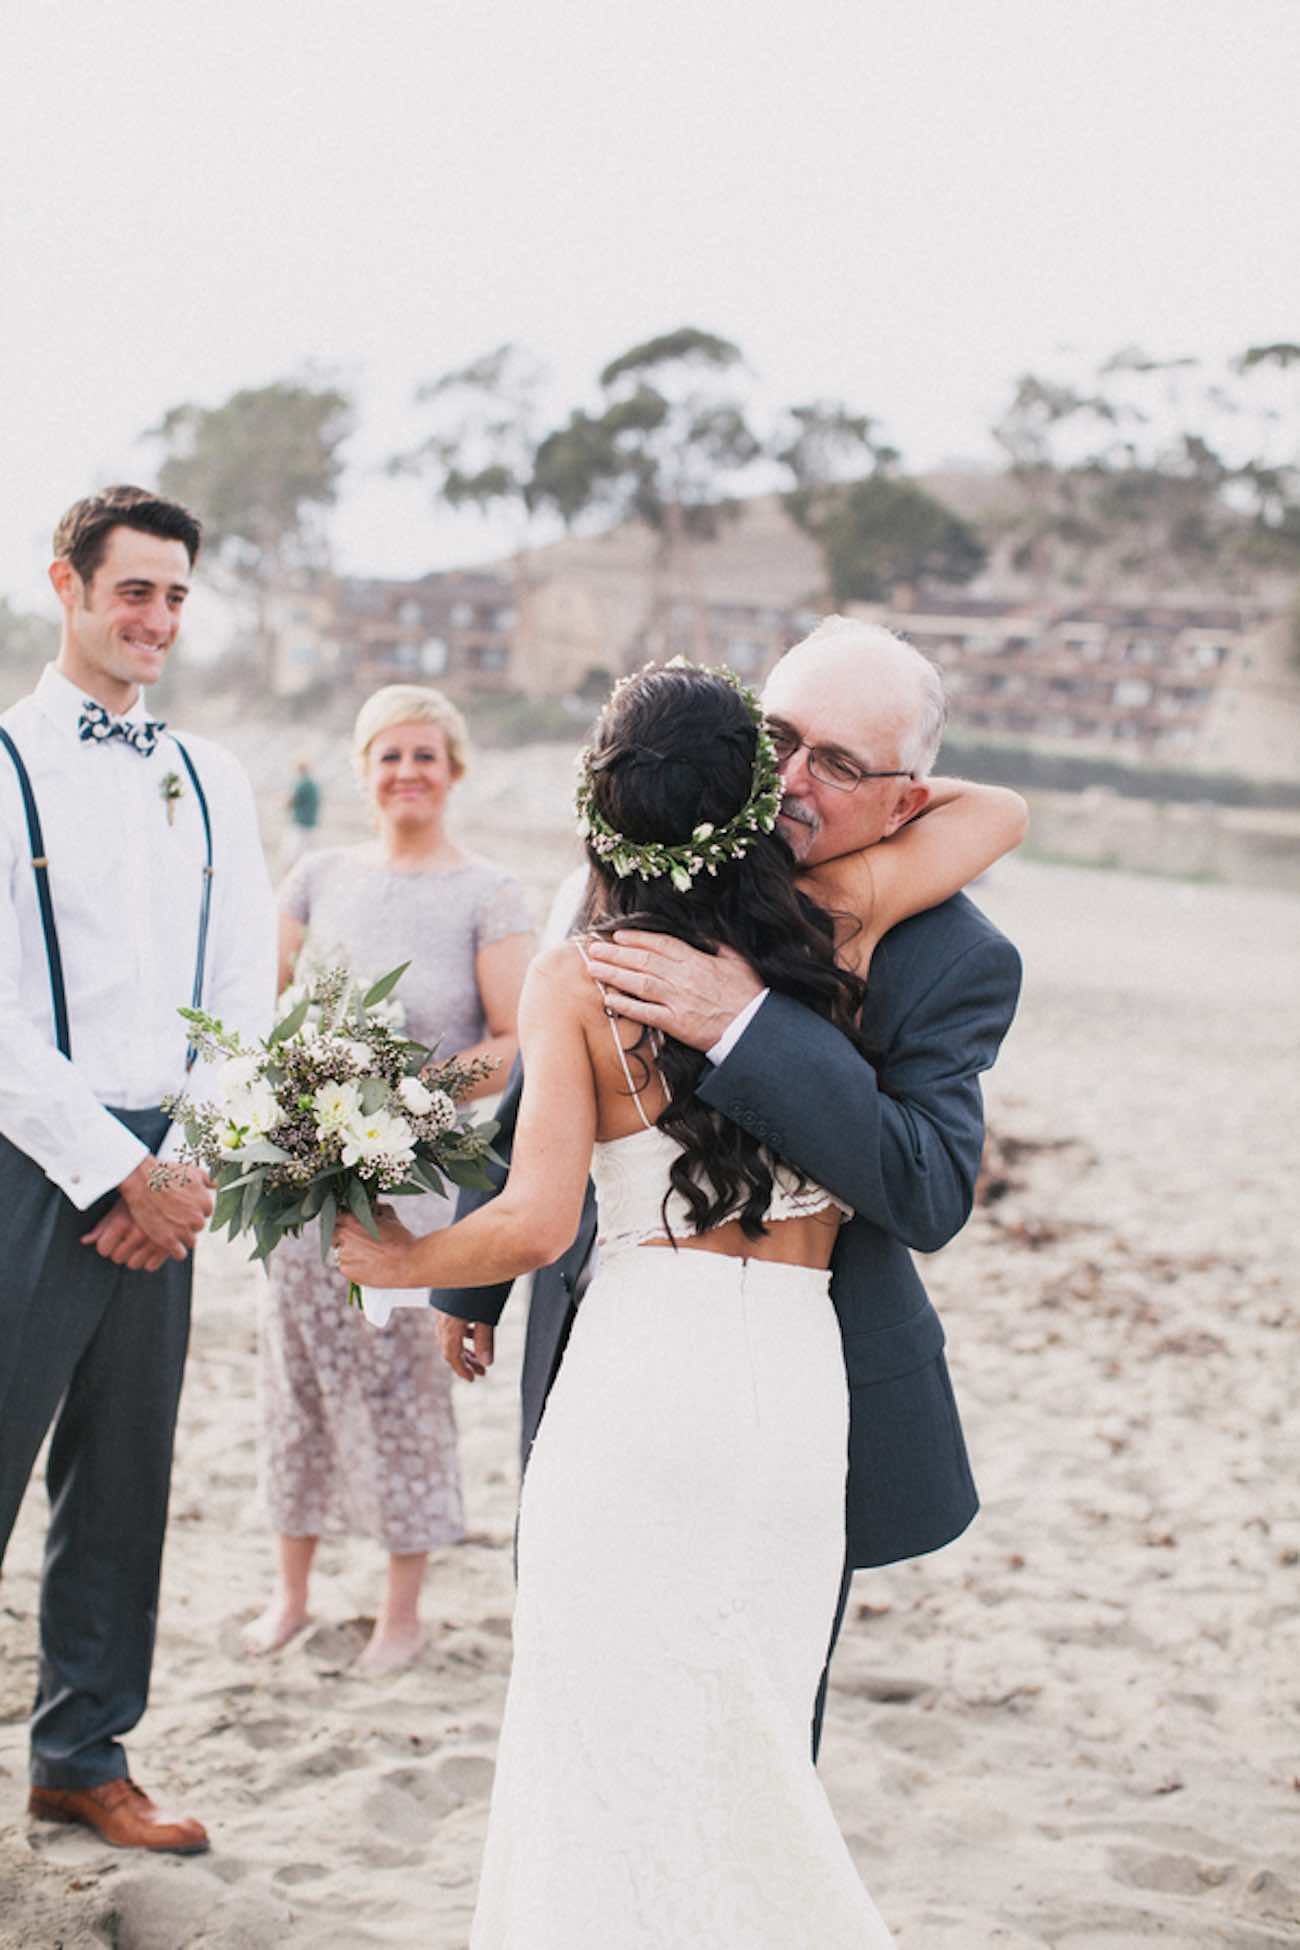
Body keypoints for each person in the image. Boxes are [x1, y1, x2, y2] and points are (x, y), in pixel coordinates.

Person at [336, 658, 1025, 1944]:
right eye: (785, 751)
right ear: (752, 784)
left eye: (838, 760)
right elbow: (1002, 815)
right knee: (745, 1739)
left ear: (598, 806)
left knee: (599, 1738)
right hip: (792, 1395)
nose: (808, 779)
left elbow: (542, 1215)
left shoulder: (578, 972)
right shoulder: (844, 923)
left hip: (644, 1383)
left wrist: (398, 1262)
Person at [0, 485, 275, 1854]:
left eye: (175, 595)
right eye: (134, 591)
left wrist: (182, 1166)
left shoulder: (215, 776)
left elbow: (245, 989)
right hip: (28, 1162)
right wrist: (109, 1169)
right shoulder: (0, 760)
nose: (157, 618)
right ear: (68, 585)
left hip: (171, 1174)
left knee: (121, 1477)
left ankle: (81, 1752)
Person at [243, 684, 533, 1672]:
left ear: (453, 770)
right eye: (389, 756)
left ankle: (401, 1612)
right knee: (297, 1377)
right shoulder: (316, 874)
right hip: (301, 1174)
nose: (407, 772)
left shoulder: (488, 894)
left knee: (404, 1383)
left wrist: (409, 1088)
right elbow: (260, 1005)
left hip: (414, 1181)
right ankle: (289, 1597)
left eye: (425, 755)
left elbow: (514, 1042)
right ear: (362, 772)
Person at [284, 756, 321, 864]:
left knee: (292, 854)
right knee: (307, 853)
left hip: (300, 822)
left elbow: (290, 801)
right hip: (310, 822)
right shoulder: (314, 784)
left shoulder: (303, 784)